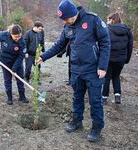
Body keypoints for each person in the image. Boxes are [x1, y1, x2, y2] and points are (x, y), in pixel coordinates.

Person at [36, 0, 110, 142]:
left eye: (67, 18)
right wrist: (43, 57)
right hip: (76, 69)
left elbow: (105, 42)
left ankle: (97, 127)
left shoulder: (92, 20)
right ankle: (77, 120)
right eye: (63, 20)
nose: (65, 21)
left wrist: (103, 66)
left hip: (93, 69)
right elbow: (59, 45)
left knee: (95, 100)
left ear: (74, 13)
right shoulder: (67, 27)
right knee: (77, 97)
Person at [0, 24, 28, 105]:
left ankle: (22, 96)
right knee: (7, 80)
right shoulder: (3, 35)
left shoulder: (22, 41)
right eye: (15, 37)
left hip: (17, 61)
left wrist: (14, 69)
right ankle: (9, 97)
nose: (17, 38)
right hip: (5, 61)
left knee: (20, 78)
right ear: (10, 34)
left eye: (19, 36)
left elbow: (21, 56)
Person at [102, 12, 133, 104]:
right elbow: (130, 46)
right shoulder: (128, 31)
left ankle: (104, 97)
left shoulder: (107, 30)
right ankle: (117, 95)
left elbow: (103, 45)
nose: (107, 21)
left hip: (109, 58)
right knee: (116, 76)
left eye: (108, 19)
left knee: (107, 77)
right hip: (121, 59)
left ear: (113, 19)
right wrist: (127, 58)